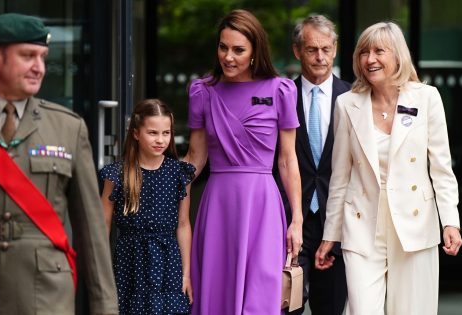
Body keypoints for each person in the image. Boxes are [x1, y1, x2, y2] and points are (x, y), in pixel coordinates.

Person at [0, 13, 117, 315]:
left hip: (44, 296)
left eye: (43, 57)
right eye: (28, 56)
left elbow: (92, 230)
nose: (40, 68)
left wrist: (105, 308)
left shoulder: (68, 128)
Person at [315, 21, 462, 314]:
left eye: (379, 51)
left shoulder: (426, 98)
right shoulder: (347, 104)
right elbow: (340, 177)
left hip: (414, 223)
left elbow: (442, 170)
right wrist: (330, 235)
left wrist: (451, 221)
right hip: (361, 225)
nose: (370, 59)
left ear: (397, 56)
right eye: (364, 52)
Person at [184, 9, 303, 315]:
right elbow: (195, 157)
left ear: (254, 52)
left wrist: (297, 219)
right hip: (219, 205)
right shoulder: (203, 91)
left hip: (262, 205)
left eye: (238, 50)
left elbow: (288, 160)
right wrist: (158, 180)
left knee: (260, 296)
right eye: (223, 47)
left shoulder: (280, 90)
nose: (229, 56)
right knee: (216, 293)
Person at [273, 14, 350, 315]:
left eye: (326, 49)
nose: (320, 57)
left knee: (330, 307)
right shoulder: (282, 96)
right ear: (297, 51)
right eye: (311, 49)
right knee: (284, 306)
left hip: (338, 222)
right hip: (290, 221)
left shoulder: (354, 98)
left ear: (335, 49)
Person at [99, 99, 195, 314]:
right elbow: (102, 224)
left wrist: (186, 274)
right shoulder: (117, 174)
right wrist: (102, 271)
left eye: (166, 133)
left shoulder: (179, 173)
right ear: (136, 134)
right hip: (129, 263)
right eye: (153, 133)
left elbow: (183, 224)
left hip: (168, 263)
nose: (160, 140)